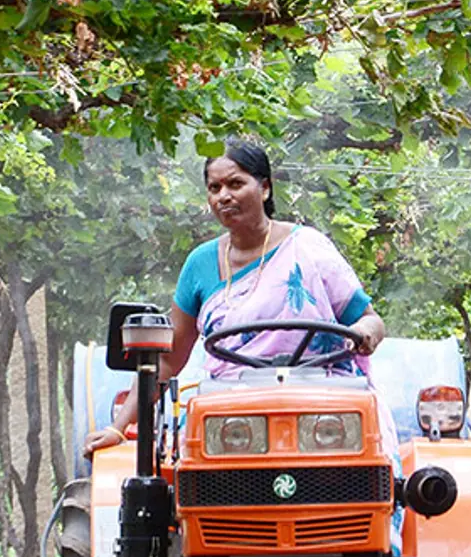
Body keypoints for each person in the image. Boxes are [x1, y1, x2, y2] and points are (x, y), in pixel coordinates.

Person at [82, 141, 394, 457]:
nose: (223, 196)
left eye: (235, 183)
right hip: (232, 418)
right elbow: (167, 360)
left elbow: (371, 319)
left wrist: (365, 333)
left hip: (323, 414)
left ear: (265, 188)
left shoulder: (310, 248)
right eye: (214, 188)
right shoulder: (199, 265)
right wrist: (116, 428)